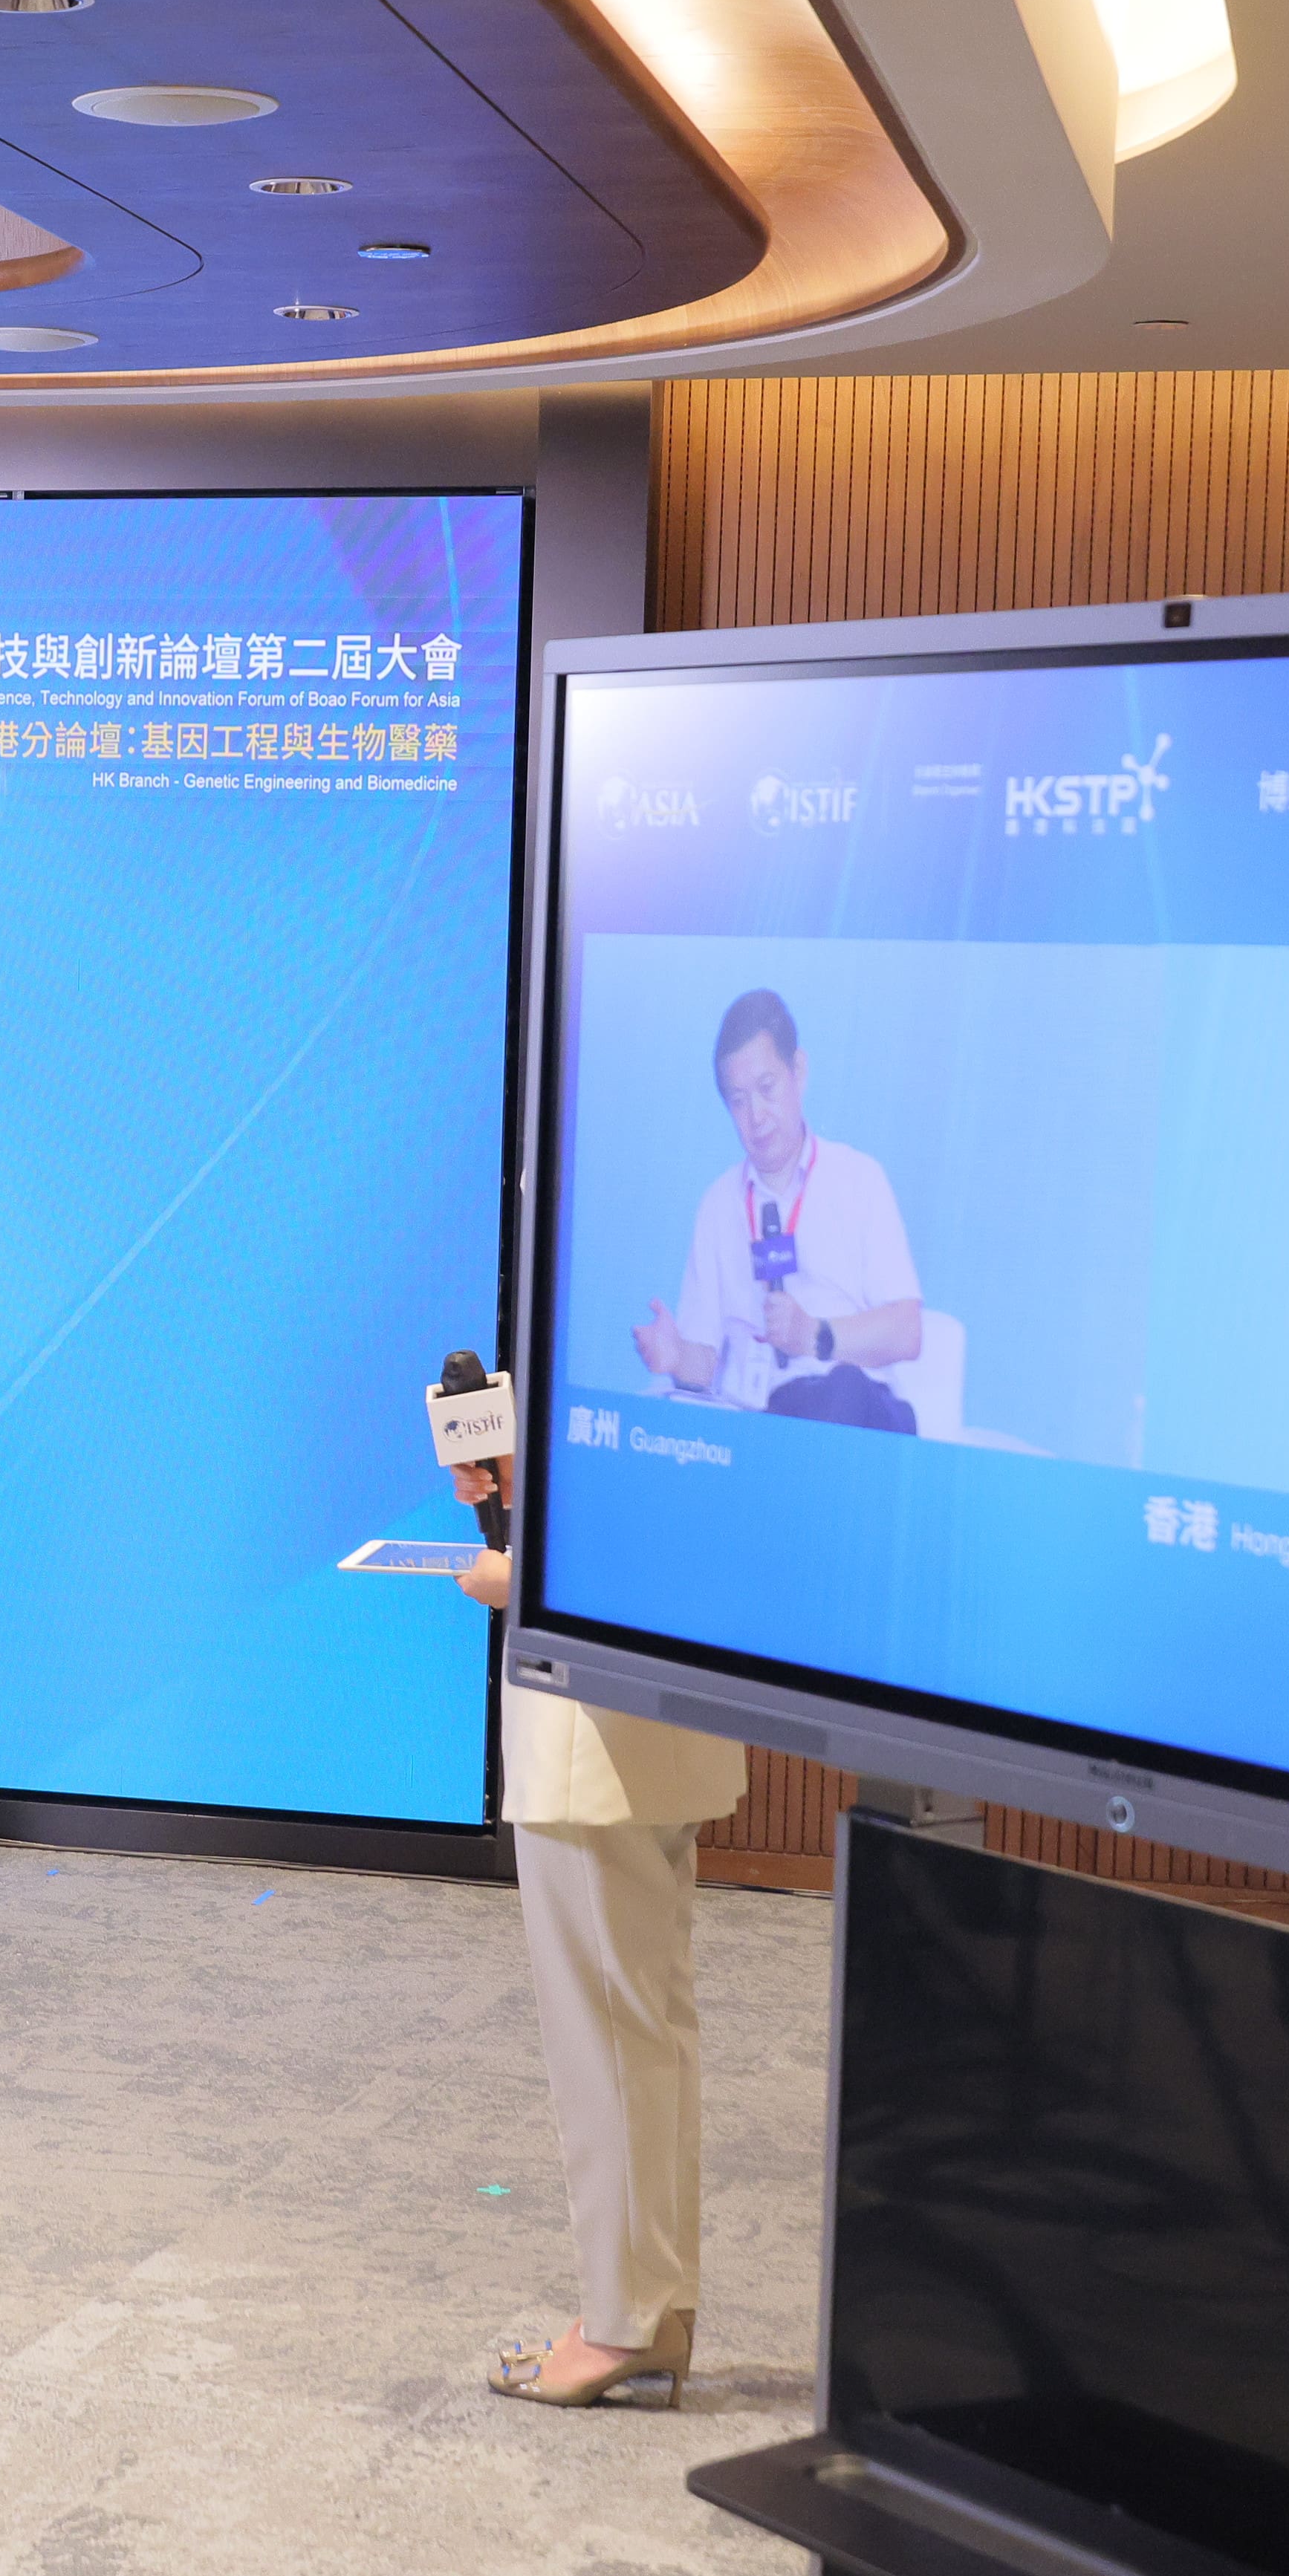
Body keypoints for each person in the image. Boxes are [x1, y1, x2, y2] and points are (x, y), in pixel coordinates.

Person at [448, 1451, 750, 2406]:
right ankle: (655, 2302)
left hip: (591, 1720)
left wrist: (518, 1576)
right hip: (665, 1698)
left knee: (612, 2039)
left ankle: (625, 2320)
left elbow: (609, 1505)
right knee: (650, 2030)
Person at [632, 988, 923, 1428]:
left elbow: (907, 1331)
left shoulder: (859, 1179)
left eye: (767, 1089)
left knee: (840, 1391)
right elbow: (705, 1367)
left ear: (798, 1071)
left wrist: (816, 1336)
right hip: (757, 1424)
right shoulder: (718, 1205)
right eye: (738, 1100)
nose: (756, 1115)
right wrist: (676, 1357)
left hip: (853, 1421)